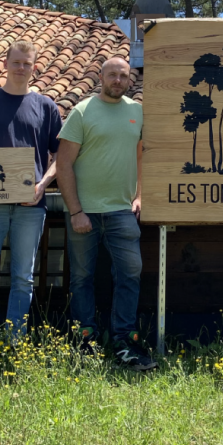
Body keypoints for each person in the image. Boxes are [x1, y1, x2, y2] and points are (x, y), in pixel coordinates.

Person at [57, 56, 156, 370]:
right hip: (83, 213)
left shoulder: (137, 112)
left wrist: (139, 195)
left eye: (123, 76)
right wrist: (75, 211)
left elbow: (141, 158)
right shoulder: (82, 111)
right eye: (112, 74)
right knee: (82, 279)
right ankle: (84, 340)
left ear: (129, 80)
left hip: (122, 212)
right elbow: (63, 164)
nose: (117, 80)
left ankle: (124, 341)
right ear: (100, 77)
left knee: (129, 275)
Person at [0, 41, 61, 341]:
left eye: (27, 63)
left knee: (23, 278)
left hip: (30, 207)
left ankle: (14, 344)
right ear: (5, 64)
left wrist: (41, 185)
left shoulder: (47, 106)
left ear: (34, 68)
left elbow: (60, 158)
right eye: (16, 62)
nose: (21, 68)